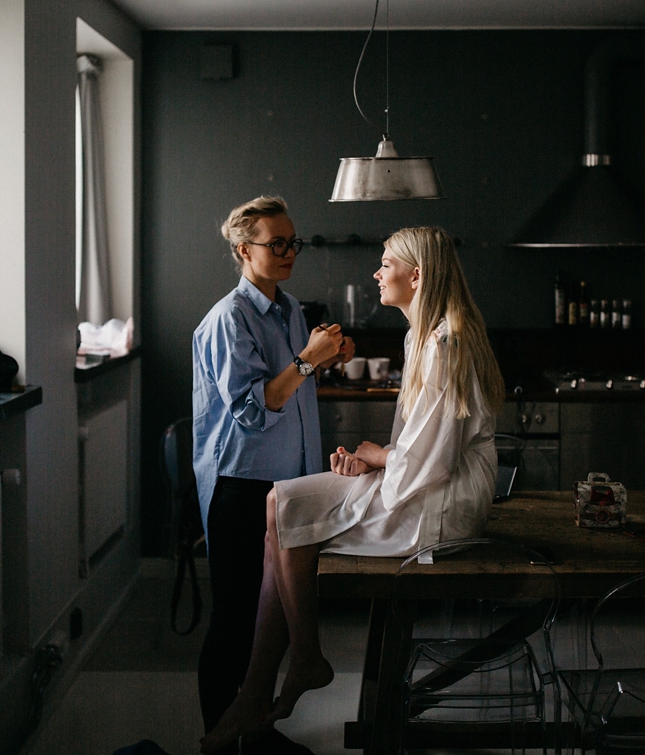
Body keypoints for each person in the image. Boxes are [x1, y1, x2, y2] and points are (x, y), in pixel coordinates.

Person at [200, 226, 506, 754]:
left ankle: (294, 665)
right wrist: (376, 462)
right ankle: (273, 681)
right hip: (428, 484)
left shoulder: (445, 342)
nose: (376, 273)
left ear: (418, 275)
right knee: (280, 510)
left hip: (443, 503)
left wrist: (377, 457)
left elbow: (427, 458)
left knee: (280, 505)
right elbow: (422, 451)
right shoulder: (425, 335)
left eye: (385, 264)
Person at [192, 196, 354, 755]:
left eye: (293, 243)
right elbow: (251, 411)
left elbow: (293, 386)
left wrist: (317, 358)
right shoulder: (227, 319)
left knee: (271, 623)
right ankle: (220, 738)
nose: (288, 253)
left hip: (287, 485)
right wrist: (308, 361)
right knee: (236, 621)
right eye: (274, 244)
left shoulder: (289, 309)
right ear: (243, 250)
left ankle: (254, 732)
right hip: (241, 485)